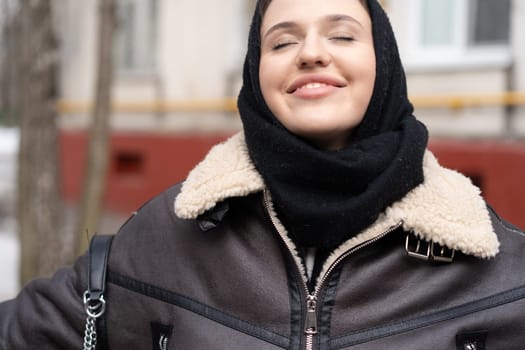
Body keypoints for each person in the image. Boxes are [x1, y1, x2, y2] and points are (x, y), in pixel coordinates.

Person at [1, 0, 525, 349]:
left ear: (383, 61)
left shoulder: (498, 266)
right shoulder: (169, 232)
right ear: (257, 72)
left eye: (341, 35)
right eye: (281, 42)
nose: (312, 53)